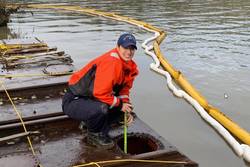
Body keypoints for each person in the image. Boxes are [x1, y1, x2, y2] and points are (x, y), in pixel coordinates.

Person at [62, 33, 139, 149]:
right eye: (125, 48)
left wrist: (125, 105)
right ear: (118, 47)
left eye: (132, 48)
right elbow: (100, 93)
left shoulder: (130, 67)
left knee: (122, 111)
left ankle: (88, 122)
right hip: (74, 100)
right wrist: (119, 104)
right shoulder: (112, 62)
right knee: (101, 108)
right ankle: (93, 134)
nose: (129, 52)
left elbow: (124, 90)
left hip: (91, 99)